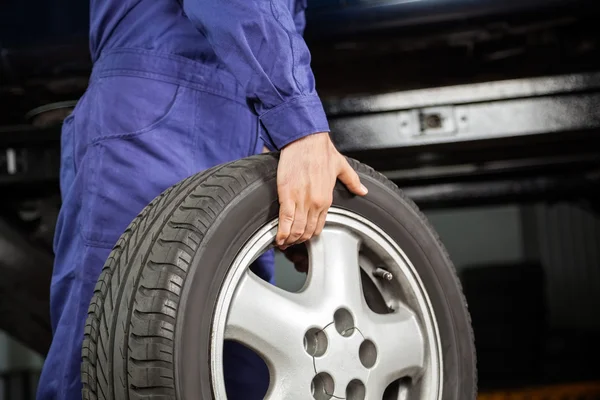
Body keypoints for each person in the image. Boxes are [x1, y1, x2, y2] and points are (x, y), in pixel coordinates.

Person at [36, 0, 368, 399]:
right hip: (156, 112)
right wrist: (299, 126)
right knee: (117, 358)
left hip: (239, 127)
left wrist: (286, 174)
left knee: (235, 369)